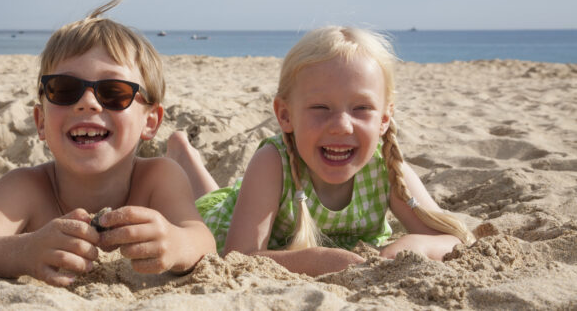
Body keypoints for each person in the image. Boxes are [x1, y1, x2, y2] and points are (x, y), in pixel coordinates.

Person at [0, 0, 215, 287]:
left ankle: (183, 152)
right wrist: (25, 250)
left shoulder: (158, 177)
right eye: (64, 90)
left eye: (113, 91)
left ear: (149, 122)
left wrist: (175, 243)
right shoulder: (25, 187)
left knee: (211, 200)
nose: (87, 103)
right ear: (41, 122)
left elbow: (204, 241)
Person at [168, 26, 475, 277]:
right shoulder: (272, 162)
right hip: (229, 217)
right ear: (285, 115)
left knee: (218, 190)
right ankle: (183, 151)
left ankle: (187, 153)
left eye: (362, 108)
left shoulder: (387, 169)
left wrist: (414, 246)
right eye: (320, 107)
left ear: (384, 118)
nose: (341, 125)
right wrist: (314, 260)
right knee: (206, 200)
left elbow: (453, 239)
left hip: (254, 200)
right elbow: (239, 256)